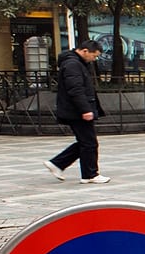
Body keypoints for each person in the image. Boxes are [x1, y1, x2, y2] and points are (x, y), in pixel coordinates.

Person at [45, 40, 109, 184]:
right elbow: (75, 89)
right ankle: (89, 174)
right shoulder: (73, 64)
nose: (94, 59)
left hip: (75, 110)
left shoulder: (75, 63)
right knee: (89, 143)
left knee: (86, 142)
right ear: (85, 51)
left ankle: (58, 164)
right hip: (76, 111)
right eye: (94, 55)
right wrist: (85, 109)